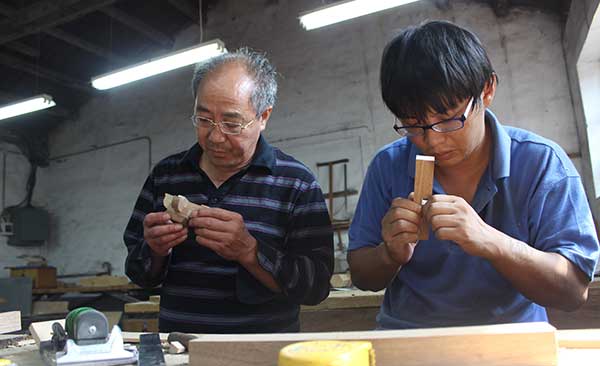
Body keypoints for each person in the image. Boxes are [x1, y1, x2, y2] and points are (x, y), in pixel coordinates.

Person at [348, 20, 599, 329]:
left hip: (510, 337)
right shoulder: (387, 166)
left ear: (487, 89)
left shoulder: (542, 163)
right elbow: (361, 276)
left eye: (448, 118)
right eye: (413, 125)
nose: (433, 139)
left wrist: (490, 241)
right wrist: (389, 254)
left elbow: (573, 291)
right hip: (409, 333)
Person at [124, 48, 334, 333]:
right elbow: (138, 274)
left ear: (263, 117)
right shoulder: (166, 176)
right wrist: (155, 250)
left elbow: (316, 286)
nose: (215, 136)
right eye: (204, 119)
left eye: (232, 123)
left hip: (261, 356)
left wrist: (249, 251)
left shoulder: (296, 183)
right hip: (178, 351)